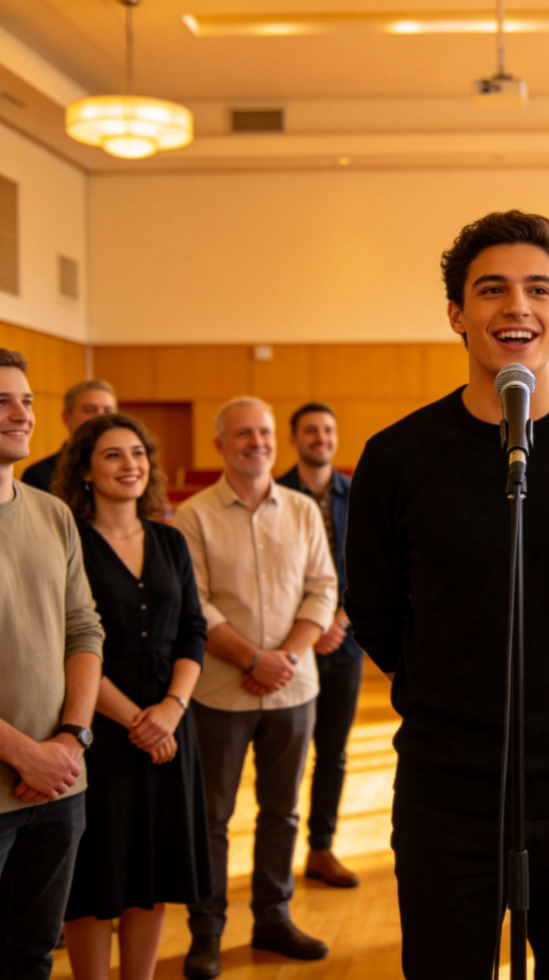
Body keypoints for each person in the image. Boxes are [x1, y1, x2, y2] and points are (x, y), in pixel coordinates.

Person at [344, 211, 549, 980]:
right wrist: (446, 692)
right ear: (457, 314)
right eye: (490, 290)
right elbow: (378, 612)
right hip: (445, 790)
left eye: (538, 290)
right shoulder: (397, 457)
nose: (515, 307)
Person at [175, 396, 336, 980]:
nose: (258, 442)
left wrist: (284, 659)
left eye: (265, 432)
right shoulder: (191, 516)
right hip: (220, 691)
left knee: (283, 811)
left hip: (294, 691)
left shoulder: (301, 510)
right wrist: (251, 658)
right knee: (211, 816)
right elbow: (195, 603)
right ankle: (207, 932)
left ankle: (273, 917)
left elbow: (323, 588)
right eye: (243, 434)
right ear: (219, 445)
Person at [51, 413, 211, 980]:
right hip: (96, 728)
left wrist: (171, 710)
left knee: (154, 870)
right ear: (86, 471)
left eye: (138, 453)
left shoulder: (169, 538)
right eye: (114, 455)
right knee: (96, 875)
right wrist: (134, 720)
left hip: (171, 727)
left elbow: (194, 628)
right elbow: (66, 640)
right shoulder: (67, 539)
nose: (131, 465)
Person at [0, 348, 104, 979]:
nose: (21, 414)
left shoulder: (52, 511)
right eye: (1, 402)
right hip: (12, 778)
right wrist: (23, 752)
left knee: (30, 959)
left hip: (61, 784)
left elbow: (83, 628)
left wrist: (70, 737)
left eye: (28, 400)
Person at [277, 402, 362, 889]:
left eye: (328, 430)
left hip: (344, 643)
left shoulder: (356, 493)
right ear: (295, 439)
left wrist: (339, 621)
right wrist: (311, 628)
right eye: (311, 430)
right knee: (288, 754)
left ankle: (321, 848)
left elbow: (370, 566)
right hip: (290, 644)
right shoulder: (277, 493)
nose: (322, 438)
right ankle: (279, 854)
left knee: (332, 753)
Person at [21, 380, 117, 494]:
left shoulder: (128, 470)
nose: (101, 417)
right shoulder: (39, 474)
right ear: (66, 418)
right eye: (90, 410)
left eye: (108, 411)